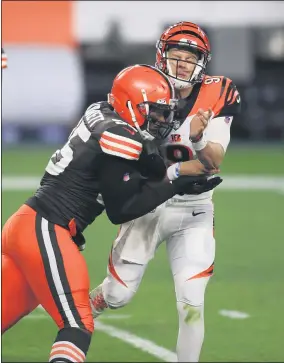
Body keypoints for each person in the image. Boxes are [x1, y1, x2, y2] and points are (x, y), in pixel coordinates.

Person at [1, 63, 222, 363]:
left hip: (28, 225)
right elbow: (123, 209)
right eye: (155, 111)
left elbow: (150, 166)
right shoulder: (120, 137)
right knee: (77, 326)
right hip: (46, 230)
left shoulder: (104, 114)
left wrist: (178, 172)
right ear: (132, 105)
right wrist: (176, 183)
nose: (161, 119)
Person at [90, 22, 241, 362]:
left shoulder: (217, 94)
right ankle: (85, 308)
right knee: (118, 295)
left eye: (192, 57)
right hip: (149, 202)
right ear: (162, 57)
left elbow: (211, 162)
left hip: (195, 210)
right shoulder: (145, 88)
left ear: (203, 63)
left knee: (191, 300)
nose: (184, 63)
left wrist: (199, 138)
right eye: (177, 55)